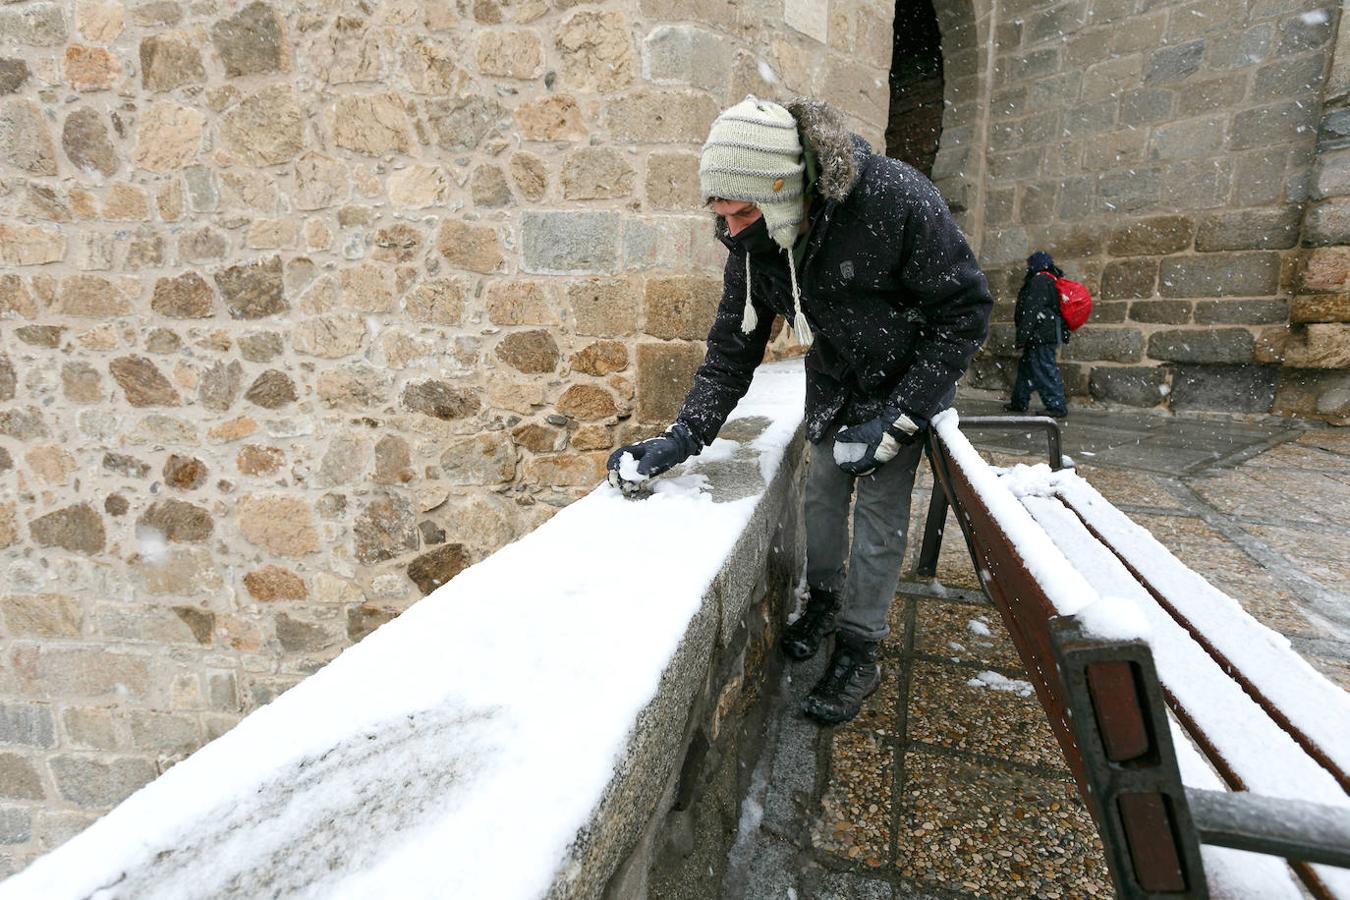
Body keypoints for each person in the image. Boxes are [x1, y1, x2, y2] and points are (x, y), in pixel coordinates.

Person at [606, 96, 992, 725]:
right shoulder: (756, 244)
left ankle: (861, 645)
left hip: (906, 383)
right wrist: (684, 435)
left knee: (880, 520)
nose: (731, 230)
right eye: (721, 215)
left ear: (788, 191)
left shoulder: (894, 198)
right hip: (837, 380)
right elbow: (733, 347)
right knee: (821, 496)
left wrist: (897, 419)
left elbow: (964, 312)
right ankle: (824, 598)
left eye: (744, 213)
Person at [1006, 251, 1069, 418]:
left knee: (1044, 368)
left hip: (1040, 335)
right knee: (1027, 369)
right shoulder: (1050, 280)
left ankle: (1057, 406)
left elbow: (1031, 311)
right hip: (1042, 334)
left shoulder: (1040, 281)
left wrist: (1022, 336)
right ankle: (1019, 402)